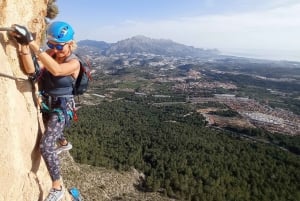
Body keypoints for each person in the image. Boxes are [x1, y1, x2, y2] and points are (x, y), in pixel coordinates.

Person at [10, 21, 80, 201]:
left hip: (62, 108)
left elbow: (56, 70)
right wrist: (24, 46)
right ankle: (64, 141)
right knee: (52, 132)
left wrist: (33, 43)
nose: (55, 49)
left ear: (71, 43)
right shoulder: (50, 54)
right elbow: (32, 70)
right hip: (47, 104)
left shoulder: (74, 62)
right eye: (51, 45)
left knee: (46, 145)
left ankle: (57, 187)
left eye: (59, 45)